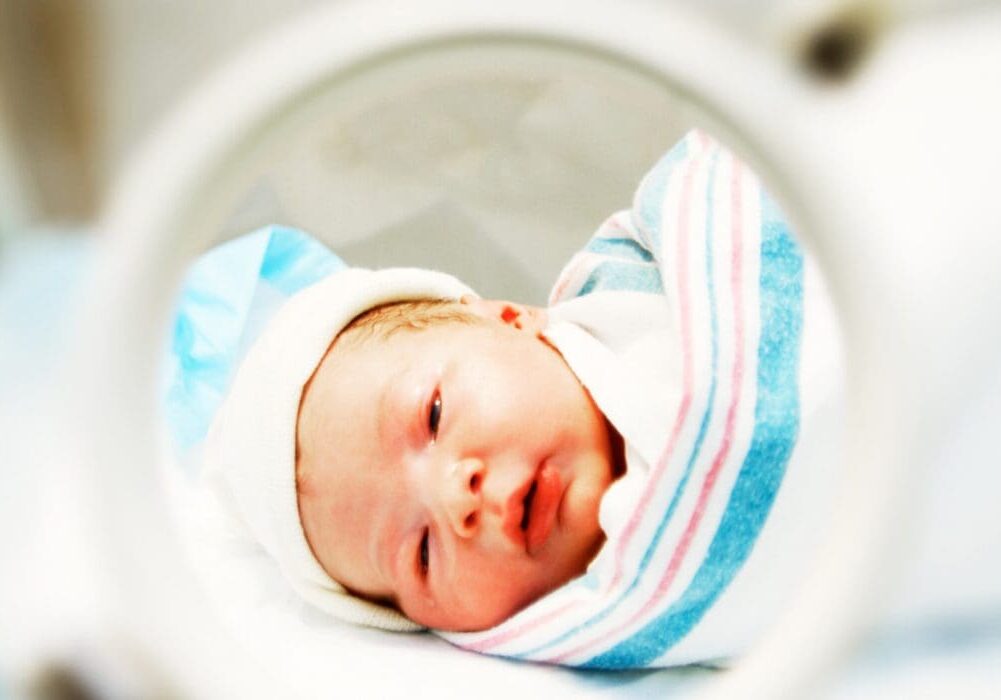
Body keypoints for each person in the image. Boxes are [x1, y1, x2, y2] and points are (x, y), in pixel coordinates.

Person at [181, 130, 838, 666]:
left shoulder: (660, 281)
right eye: (420, 554)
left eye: (432, 416)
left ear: (509, 319)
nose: (453, 496)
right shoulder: (636, 629)